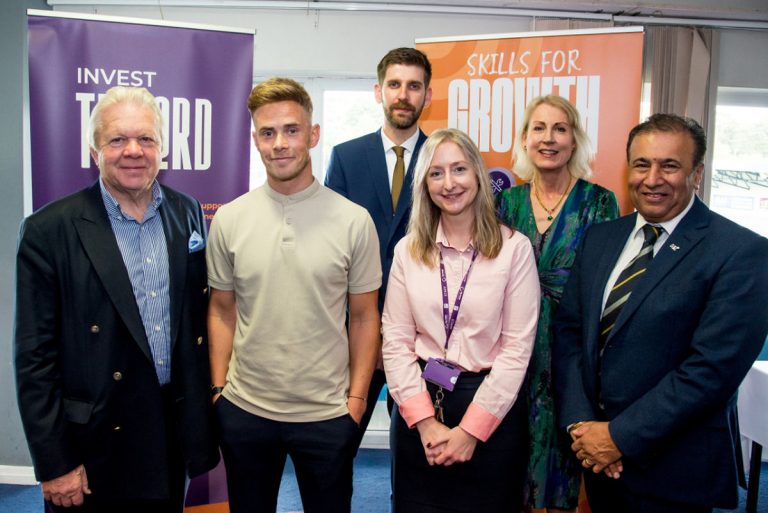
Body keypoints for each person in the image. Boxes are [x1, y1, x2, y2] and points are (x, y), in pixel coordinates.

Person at [14, 86, 219, 512]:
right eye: (117, 139)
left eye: (146, 139)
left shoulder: (187, 211)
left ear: (162, 148)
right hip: (94, 441)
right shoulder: (48, 230)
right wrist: (55, 462)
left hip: (169, 432)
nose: (133, 151)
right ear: (95, 150)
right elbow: (34, 359)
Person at [553, 113, 768, 513]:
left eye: (670, 165)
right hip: (597, 462)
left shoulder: (741, 252)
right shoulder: (602, 238)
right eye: (642, 164)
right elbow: (568, 335)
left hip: (674, 472)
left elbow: (710, 372)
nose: (653, 179)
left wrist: (617, 437)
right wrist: (582, 426)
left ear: (697, 173)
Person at [206, 77, 382, 513]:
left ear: (313, 135)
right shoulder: (229, 219)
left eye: (291, 130)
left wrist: (357, 402)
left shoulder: (354, 221)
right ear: (255, 140)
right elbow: (222, 310)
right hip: (246, 411)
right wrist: (218, 391)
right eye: (268, 132)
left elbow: (364, 317)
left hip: (327, 415)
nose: (280, 143)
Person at [382, 128, 540, 512]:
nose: (449, 183)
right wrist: (425, 424)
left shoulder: (513, 250)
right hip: (420, 403)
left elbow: (517, 349)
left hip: (490, 408)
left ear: (478, 176)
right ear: (424, 184)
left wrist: (471, 431)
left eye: (459, 169)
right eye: (436, 173)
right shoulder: (407, 251)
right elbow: (396, 341)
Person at [495, 95, 618, 512]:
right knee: (511, 454)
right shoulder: (505, 203)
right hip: (513, 346)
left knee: (568, 459)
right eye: (539, 128)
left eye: (560, 129)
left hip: (573, 349)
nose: (549, 138)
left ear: (574, 139)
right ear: (525, 139)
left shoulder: (600, 202)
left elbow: (606, 284)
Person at [325, 47, 432, 439]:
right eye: (394, 85)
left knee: (420, 450)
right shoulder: (346, 157)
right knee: (339, 445)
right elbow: (329, 241)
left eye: (414, 86)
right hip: (354, 328)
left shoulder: (443, 159)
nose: (403, 95)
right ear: (378, 91)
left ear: (427, 95)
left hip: (424, 335)